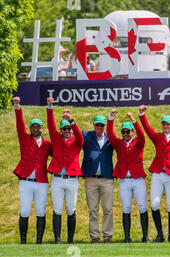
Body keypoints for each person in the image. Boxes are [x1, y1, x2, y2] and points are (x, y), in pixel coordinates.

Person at [138, 106, 170, 243]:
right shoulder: (158, 137)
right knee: (154, 204)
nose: (165, 126)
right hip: (158, 174)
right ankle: (160, 235)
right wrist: (142, 115)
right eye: (163, 124)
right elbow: (147, 129)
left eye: (168, 124)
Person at [12, 97, 52, 244]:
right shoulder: (25, 138)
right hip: (26, 181)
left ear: (42, 128)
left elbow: (60, 153)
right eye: (33, 127)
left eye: (38, 127)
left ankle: (39, 241)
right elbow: (19, 123)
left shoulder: (48, 143)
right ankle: (23, 241)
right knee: (24, 211)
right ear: (30, 129)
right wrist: (17, 106)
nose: (35, 129)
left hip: (41, 181)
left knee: (41, 211)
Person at [107, 109, 149, 243]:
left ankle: (145, 236)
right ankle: (126, 237)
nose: (125, 134)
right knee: (126, 207)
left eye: (127, 131)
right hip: (124, 180)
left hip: (138, 179)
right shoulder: (118, 143)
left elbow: (142, 135)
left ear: (132, 132)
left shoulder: (138, 142)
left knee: (142, 206)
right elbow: (110, 134)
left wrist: (134, 120)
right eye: (123, 132)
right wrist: (111, 118)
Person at [46, 97, 84, 244]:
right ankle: (57, 239)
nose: (67, 131)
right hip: (57, 179)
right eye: (65, 128)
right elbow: (50, 124)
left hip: (72, 179)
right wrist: (50, 107)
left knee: (71, 209)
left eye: (69, 128)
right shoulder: (56, 138)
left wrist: (71, 121)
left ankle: (70, 239)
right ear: (61, 130)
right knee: (57, 209)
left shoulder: (76, 141)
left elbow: (80, 136)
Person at [81, 115, 115, 243]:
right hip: (91, 178)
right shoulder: (86, 135)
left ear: (105, 126)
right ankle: (94, 236)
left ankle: (107, 236)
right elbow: (71, 131)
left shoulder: (110, 138)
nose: (99, 127)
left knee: (108, 209)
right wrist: (68, 119)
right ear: (93, 125)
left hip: (106, 178)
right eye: (97, 125)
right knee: (93, 209)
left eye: (102, 125)